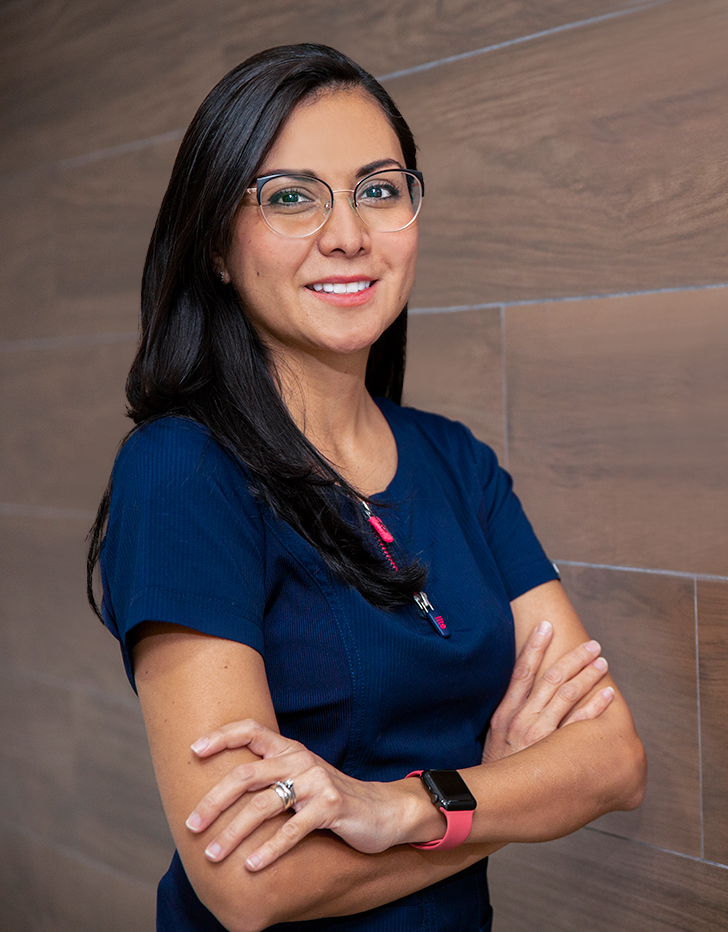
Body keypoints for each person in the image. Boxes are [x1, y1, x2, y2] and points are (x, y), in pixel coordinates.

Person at [87, 43, 646, 932]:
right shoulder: (184, 471)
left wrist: (405, 810)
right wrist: (496, 796)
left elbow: (613, 760)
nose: (347, 232)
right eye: (291, 196)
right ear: (219, 249)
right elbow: (248, 883)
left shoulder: (456, 461)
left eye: (379, 190)